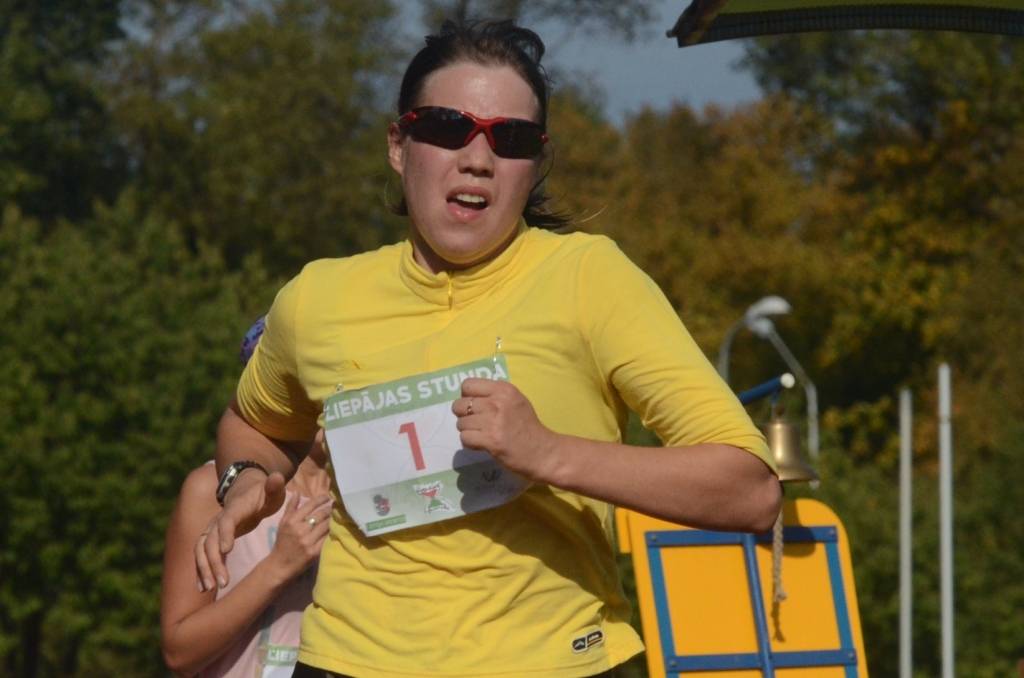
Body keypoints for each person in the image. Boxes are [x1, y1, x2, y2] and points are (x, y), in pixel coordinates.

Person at [197, 19, 782, 678]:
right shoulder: (318, 298)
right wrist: (244, 480)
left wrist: (549, 453)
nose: (478, 158)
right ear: (399, 145)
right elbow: (252, 423)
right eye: (448, 127)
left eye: (511, 138)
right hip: (345, 663)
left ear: (536, 165)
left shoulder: (590, 278)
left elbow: (750, 492)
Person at [161, 319, 333, 677]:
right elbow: (180, 652)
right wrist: (278, 567)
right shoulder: (212, 489)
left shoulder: (360, 497)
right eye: (297, 389)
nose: (317, 402)